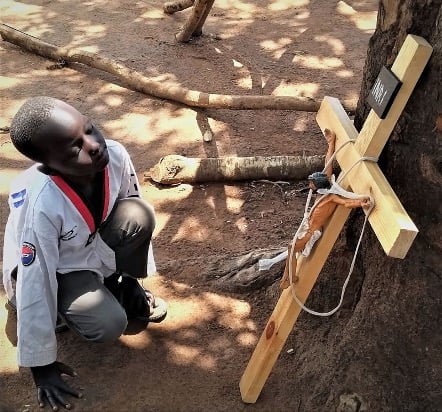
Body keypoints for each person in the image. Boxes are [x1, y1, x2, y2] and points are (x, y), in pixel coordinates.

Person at [2, 96, 168, 410]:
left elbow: (129, 201)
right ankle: (62, 315)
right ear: (48, 165)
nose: (93, 145)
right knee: (108, 324)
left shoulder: (115, 155)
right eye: (75, 147)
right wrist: (42, 365)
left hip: (90, 250)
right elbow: (35, 279)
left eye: (90, 129)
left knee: (138, 212)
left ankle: (124, 287)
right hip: (56, 272)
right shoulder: (40, 204)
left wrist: (130, 279)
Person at [280, 128, 373, 289]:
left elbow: (346, 203)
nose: (309, 186)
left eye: (311, 184)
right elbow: (328, 162)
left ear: (318, 185)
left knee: (291, 248)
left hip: (311, 232)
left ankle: (289, 278)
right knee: (291, 248)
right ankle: (288, 277)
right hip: (306, 226)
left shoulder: (330, 197)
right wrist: (331, 143)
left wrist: (360, 203)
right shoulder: (321, 191)